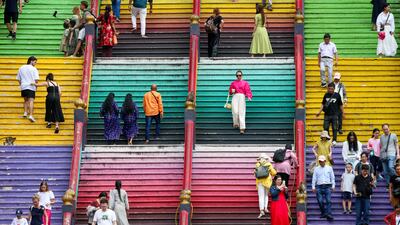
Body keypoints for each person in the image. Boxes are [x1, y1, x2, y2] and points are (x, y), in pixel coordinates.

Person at [311, 155, 335, 221]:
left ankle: (329, 214)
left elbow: (332, 177)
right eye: (320, 161)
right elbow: (314, 178)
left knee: (328, 201)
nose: (321, 162)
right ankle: (323, 213)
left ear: (325, 161)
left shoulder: (329, 168)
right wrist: (313, 186)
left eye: (322, 161)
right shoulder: (316, 169)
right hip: (319, 186)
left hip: (327, 186)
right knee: (320, 201)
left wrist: (333, 186)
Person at [16, 56, 39, 122]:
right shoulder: (34, 69)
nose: (35, 63)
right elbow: (36, 80)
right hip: (31, 86)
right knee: (31, 100)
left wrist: (21, 85)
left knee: (25, 100)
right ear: (31, 61)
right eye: (35, 62)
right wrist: (36, 87)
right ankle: (31, 115)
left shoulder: (21, 67)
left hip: (23, 86)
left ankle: (25, 112)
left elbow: (18, 79)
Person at [254, 153, 277, 218]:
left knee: (261, 196)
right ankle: (266, 208)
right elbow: (274, 173)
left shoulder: (257, 164)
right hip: (267, 182)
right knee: (266, 195)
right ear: (266, 159)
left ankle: (261, 211)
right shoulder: (268, 164)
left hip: (260, 182)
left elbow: (254, 174)